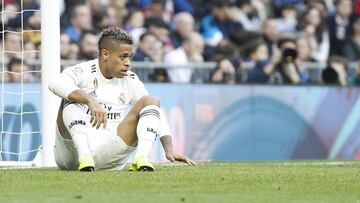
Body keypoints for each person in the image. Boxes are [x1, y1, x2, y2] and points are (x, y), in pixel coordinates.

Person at [49, 27, 195, 172]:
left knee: (150, 101)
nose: (128, 63)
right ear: (105, 54)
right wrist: (89, 100)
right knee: (72, 96)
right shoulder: (83, 71)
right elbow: (54, 84)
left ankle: (141, 159)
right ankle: (84, 155)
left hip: (108, 154)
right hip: (71, 155)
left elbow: (155, 112)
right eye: (123, 56)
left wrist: (169, 148)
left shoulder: (130, 79)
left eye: (130, 57)